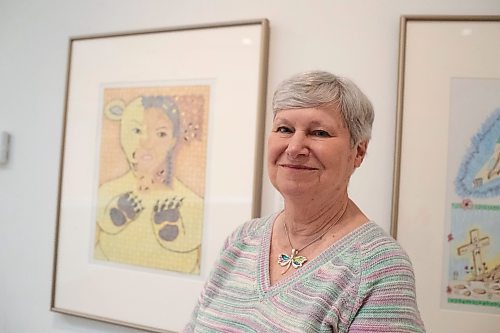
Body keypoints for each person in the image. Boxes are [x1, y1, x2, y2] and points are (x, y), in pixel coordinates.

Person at [183, 71, 426, 332]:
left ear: (358, 152)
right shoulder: (242, 240)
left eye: (319, 133)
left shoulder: (378, 268)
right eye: (284, 129)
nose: (294, 147)